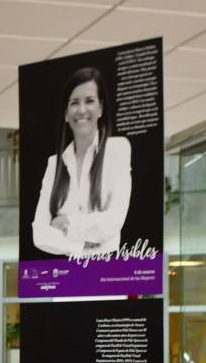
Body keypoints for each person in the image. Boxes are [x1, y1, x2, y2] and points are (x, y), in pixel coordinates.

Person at [31, 67, 132, 257]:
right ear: (66, 113)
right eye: (74, 103)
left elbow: (114, 220)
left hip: (108, 277)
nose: (82, 110)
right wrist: (81, 246)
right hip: (69, 278)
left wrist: (66, 223)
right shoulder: (55, 164)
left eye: (89, 101)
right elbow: (39, 233)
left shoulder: (118, 149)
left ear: (101, 108)